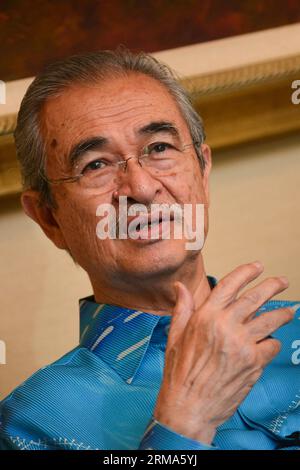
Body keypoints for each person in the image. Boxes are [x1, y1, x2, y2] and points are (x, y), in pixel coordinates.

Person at [0, 48, 299, 451]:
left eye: (159, 147)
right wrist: (185, 422)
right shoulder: (32, 424)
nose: (140, 188)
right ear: (48, 218)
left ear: (203, 170)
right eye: (95, 165)